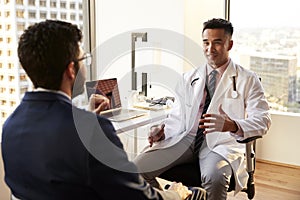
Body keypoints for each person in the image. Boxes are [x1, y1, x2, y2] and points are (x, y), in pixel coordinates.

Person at [1, 20, 192, 200]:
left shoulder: (11, 125)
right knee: (195, 193)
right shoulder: (91, 131)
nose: (85, 64)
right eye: (83, 58)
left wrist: (86, 117)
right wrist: (176, 194)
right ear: (71, 70)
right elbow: (137, 197)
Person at [134, 18, 272, 200]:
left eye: (217, 43)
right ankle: (173, 196)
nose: (210, 49)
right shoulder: (189, 77)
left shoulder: (247, 79)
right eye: (206, 42)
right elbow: (177, 115)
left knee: (214, 179)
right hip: (185, 138)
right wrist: (162, 129)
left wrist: (231, 125)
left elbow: (263, 120)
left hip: (220, 144)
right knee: (135, 170)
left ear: (229, 44)